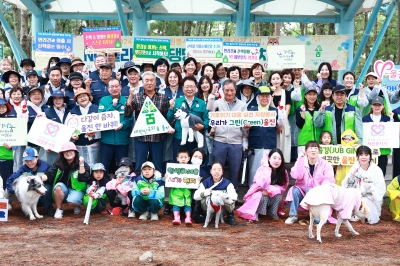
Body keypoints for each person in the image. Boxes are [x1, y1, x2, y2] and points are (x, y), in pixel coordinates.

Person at [125, 71, 172, 174]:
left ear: (155, 82)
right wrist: (130, 96)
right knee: (139, 164)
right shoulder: (137, 97)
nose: (149, 83)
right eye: (147, 80)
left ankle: (158, 185)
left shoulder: (163, 98)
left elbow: (167, 117)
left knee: (157, 164)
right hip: (141, 136)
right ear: (142, 82)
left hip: (158, 137)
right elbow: (128, 114)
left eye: (151, 80)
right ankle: (138, 184)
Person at [207, 79, 248, 191]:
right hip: (219, 141)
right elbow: (209, 108)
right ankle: (215, 192)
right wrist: (212, 93)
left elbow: (243, 125)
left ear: (236, 90)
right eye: (226, 90)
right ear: (223, 90)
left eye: (232, 90)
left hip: (236, 142)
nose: (229, 93)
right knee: (217, 169)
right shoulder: (218, 103)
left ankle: (233, 195)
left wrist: (247, 126)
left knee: (235, 171)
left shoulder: (242, 105)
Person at [285, 141, 335, 225]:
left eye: (316, 148)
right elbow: (295, 175)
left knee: (319, 221)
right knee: (293, 190)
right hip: (303, 193)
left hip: (318, 195)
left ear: (319, 151)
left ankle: (317, 215)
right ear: (306, 151)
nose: (313, 150)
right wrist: (298, 160)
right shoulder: (301, 162)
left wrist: (318, 190)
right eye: (311, 148)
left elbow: (329, 179)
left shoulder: (325, 164)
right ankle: (292, 216)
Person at [41, 142, 91, 218]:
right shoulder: (58, 163)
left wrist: (81, 164)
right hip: (63, 189)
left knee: (73, 201)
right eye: (65, 151)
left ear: (75, 152)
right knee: (58, 187)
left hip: (77, 190)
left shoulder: (82, 163)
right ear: (62, 153)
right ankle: (59, 209)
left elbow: (84, 178)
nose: (68, 153)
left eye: (70, 150)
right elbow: (49, 174)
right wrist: (37, 178)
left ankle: (76, 205)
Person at [237, 149, 289, 222]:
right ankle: (259, 213)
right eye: (274, 158)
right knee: (263, 196)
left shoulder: (283, 171)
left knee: (279, 196)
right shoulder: (262, 169)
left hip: (272, 195)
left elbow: (283, 187)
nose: (277, 161)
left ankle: (272, 213)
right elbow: (259, 184)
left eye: (279, 159)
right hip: (260, 194)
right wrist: (266, 170)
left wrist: (270, 190)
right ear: (269, 158)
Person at [167, 76, 209, 161]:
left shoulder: (201, 103)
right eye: (187, 86)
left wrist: (203, 125)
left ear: (196, 88)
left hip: (195, 138)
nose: (189, 89)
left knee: (194, 163)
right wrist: (171, 109)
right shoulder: (177, 101)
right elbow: (169, 119)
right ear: (182, 88)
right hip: (179, 137)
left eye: (192, 86)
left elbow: (207, 119)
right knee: (178, 163)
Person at [342, 145, 386, 224]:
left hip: (371, 198)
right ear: (357, 157)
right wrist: (352, 176)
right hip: (357, 197)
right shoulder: (355, 168)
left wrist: (370, 186)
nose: (363, 157)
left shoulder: (376, 170)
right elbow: (345, 185)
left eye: (366, 155)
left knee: (370, 218)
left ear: (370, 156)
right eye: (361, 155)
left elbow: (380, 189)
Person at [98, 78, 133, 173]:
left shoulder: (126, 101)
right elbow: (101, 117)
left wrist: (122, 124)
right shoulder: (103, 100)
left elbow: (130, 119)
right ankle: (103, 184)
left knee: (123, 166)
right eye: (112, 86)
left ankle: (123, 186)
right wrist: (112, 107)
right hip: (106, 140)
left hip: (122, 140)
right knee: (104, 166)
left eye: (116, 86)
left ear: (120, 87)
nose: (114, 88)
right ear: (108, 89)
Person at [6, 147, 55, 216]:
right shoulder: (24, 168)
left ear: (37, 158)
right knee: (15, 188)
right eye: (26, 160)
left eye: (31, 160)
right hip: (31, 195)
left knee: (46, 187)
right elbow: (10, 179)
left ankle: (48, 207)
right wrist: (13, 190)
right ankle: (25, 207)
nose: (29, 163)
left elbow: (51, 177)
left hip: (44, 194)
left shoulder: (45, 166)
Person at [245, 86, 279, 185]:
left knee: (269, 171)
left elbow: (281, 124)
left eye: (267, 96)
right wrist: (246, 127)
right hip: (255, 146)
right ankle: (252, 192)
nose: (265, 98)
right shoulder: (251, 111)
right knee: (253, 171)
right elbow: (244, 130)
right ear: (257, 98)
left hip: (270, 145)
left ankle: (268, 192)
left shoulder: (275, 111)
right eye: (262, 96)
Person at [68, 88, 100, 167]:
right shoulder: (72, 112)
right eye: (79, 97)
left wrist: (95, 133)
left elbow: (102, 125)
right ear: (76, 100)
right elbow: (70, 128)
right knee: (81, 166)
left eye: (84, 96)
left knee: (96, 165)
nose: (82, 98)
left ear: (89, 97)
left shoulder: (97, 108)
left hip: (94, 143)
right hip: (79, 144)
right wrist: (73, 136)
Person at [362, 96, 393, 176]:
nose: (377, 107)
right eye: (375, 105)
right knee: (367, 175)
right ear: (371, 106)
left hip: (382, 152)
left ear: (383, 106)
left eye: (379, 105)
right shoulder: (365, 119)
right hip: (369, 152)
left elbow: (391, 133)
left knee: (381, 174)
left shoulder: (387, 119)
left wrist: (391, 120)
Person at [169, 149, 196, 225]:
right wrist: (167, 177)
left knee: (187, 206)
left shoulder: (192, 170)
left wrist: (197, 179)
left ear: (189, 158)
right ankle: (176, 218)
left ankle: (188, 218)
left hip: (187, 192)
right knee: (176, 206)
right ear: (177, 159)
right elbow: (167, 180)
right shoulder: (172, 169)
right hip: (176, 192)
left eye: (185, 157)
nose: (183, 159)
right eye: (181, 157)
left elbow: (195, 181)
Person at [270, 71, 292, 163]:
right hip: (271, 123)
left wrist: (281, 123)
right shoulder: (269, 93)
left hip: (283, 123)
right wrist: (271, 93)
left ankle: (284, 163)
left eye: (277, 78)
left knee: (284, 144)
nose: (276, 81)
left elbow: (287, 110)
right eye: (273, 79)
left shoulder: (286, 93)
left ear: (281, 80)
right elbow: (268, 107)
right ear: (270, 81)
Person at [296, 86, 322, 154]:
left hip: (318, 142)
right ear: (305, 96)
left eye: (314, 94)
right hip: (304, 143)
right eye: (309, 94)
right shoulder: (300, 108)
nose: (312, 97)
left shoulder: (320, 109)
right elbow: (299, 125)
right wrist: (303, 112)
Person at [0, 98, 14, 189]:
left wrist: (12, 146)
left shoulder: (13, 122)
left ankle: (6, 202)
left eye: (3, 107)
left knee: (7, 181)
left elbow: (18, 140)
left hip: (8, 157)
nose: (1, 109)